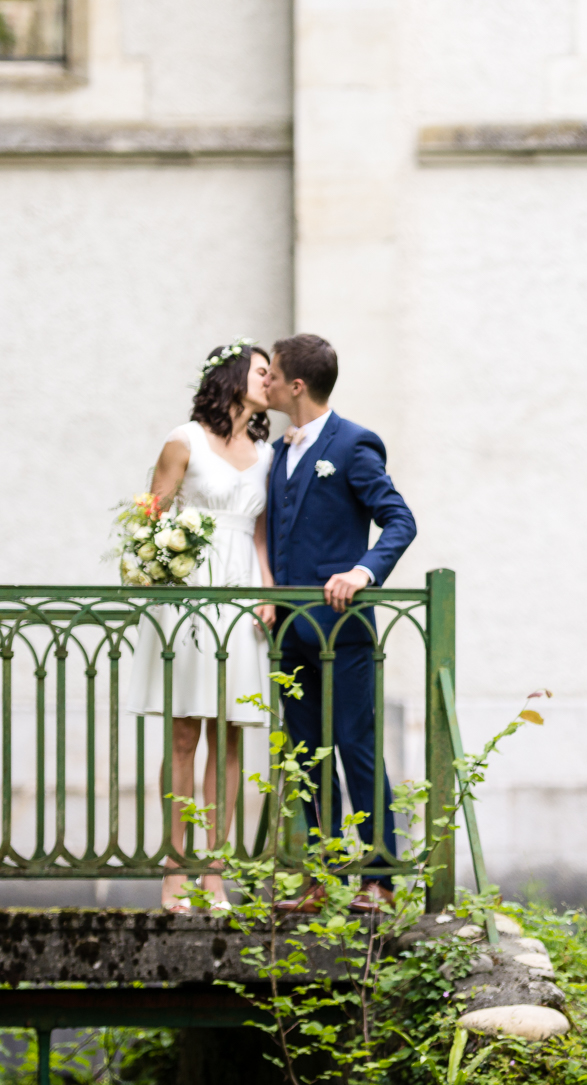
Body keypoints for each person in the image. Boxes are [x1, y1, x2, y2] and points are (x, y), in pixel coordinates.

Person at [261, 333, 417, 916]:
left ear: (297, 385)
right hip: (288, 631)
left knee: (356, 747)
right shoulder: (276, 453)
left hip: (342, 628)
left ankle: (379, 879)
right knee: (306, 754)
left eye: (272, 375)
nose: (265, 382)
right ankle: (320, 878)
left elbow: (399, 519)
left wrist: (362, 570)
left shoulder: (353, 445)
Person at [133, 338, 277, 912]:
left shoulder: (267, 456)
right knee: (184, 735)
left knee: (231, 735)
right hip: (189, 597)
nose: (269, 380)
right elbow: (149, 521)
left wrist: (267, 592)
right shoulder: (184, 440)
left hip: (243, 598)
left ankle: (215, 874)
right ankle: (175, 870)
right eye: (262, 372)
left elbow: (261, 534)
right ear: (234, 376)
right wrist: (164, 569)